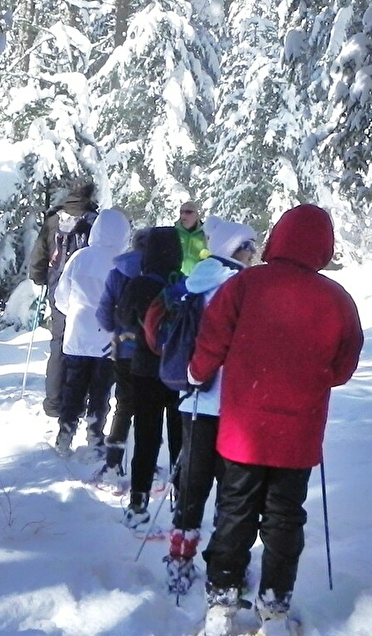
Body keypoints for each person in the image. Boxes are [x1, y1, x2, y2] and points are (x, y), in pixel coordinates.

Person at [189, 204, 363, 635]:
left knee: (234, 512)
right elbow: (343, 367)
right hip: (297, 432)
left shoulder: (246, 284)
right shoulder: (337, 300)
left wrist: (197, 372)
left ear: (278, 237)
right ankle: (274, 610)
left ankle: (221, 605)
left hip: (243, 431)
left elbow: (213, 338)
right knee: (285, 519)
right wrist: (311, 378)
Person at [165, 216, 258, 591]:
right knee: (230, 487)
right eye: (251, 246)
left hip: (193, 396)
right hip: (233, 403)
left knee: (191, 482)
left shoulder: (194, 282)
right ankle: (223, 561)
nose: (256, 253)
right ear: (237, 248)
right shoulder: (243, 287)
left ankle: (180, 557)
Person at [51, 209, 132, 456]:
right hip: (107, 340)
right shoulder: (123, 264)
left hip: (77, 336)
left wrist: (75, 312)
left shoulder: (80, 257)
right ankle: (94, 435)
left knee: (73, 387)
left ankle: (65, 434)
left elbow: (61, 297)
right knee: (100, 391)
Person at [120, 225, 185, 527]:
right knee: (178, 438)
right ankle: (180, 498)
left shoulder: (137, 285)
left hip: (144, 370)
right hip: (177, 374)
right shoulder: (183, 284)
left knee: (145, 437)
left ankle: (138, 501)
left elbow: (121, 318)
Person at [29, 180, 99, 418]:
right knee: (79, 343)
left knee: (58, 341)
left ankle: (53, 401)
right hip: (84, 289)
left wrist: (39, 276)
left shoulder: (54, 219)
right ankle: (78, 400)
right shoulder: (92, 220)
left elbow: (39, 252)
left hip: (57, 286)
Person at [96, 229, 149, 479]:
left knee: (124, 406)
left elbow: (104, 312)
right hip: (151, 351)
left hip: (122, 349)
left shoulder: (117, 273)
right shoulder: (158, 273)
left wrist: (113, 329)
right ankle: (148, 465)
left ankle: (113, 464)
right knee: (149, 408)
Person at [175, 200, 210, 276]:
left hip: (198, 281)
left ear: (197, 215)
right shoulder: (173, 233)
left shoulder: (206, 234)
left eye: (188, 212)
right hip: (176, 281)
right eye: (181, 212)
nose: (184, 215)